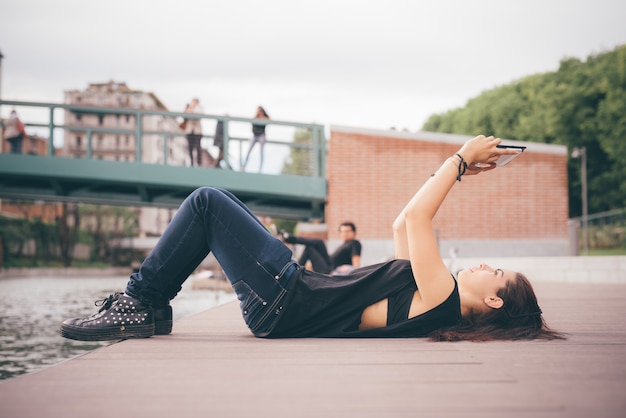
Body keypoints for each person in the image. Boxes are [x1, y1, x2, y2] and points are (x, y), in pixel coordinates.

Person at [60, 135, 563, 342]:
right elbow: (402, 222)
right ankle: (151, 307)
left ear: (493, 298)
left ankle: (142, 303)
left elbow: (418, 224)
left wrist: (456, 161)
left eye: (494, 272)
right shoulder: (430, 295)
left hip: (285, 299)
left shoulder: (445, 299)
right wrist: (455, 172)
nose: (483, 266)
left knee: (208, 202)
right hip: (287, 297)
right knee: (216, 203)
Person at [280, 222, 361, 275]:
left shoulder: (355, 243)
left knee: (319, 243)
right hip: (328, 265)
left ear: (354, 232)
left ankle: (289, 238)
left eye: (347, 231)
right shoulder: (344, 244)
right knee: (311, 247)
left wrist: (353, 274)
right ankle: (296, 269)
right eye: (342, 231)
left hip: (331, 271)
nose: (344, 234)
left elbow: (356, 264)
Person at [242, 106, 269, 172]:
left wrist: (262, 117)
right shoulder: (255, 118)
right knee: (248, 151)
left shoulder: (264, 118)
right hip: (255, 135)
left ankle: (260, 169)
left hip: (261, 136)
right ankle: (243, 167)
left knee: (261, 152)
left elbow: (269, 120)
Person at [183, 98, 203, 166]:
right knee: (190, 147)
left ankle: (199, 163)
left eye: (195, 102)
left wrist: (191, 110)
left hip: (197, 131)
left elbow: (199, 116)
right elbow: (185, 116)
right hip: (190, 131)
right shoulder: (189, 108)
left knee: (198, 147)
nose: (193, 103)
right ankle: (191, 163)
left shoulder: (200, 109)